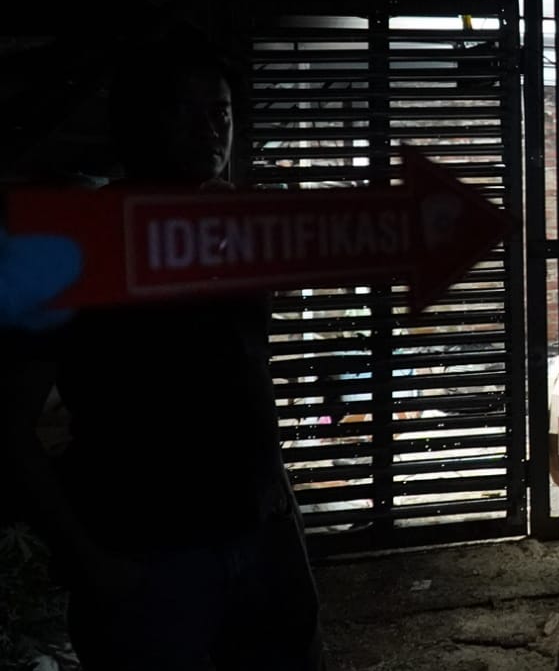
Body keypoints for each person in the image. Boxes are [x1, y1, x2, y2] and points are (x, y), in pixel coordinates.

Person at [2, 36, 325, 670]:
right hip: (151, 559)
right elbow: (9, 424)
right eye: (185, 110)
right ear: (136, 123)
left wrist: (278, 500)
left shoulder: (234, 233)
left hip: (261, 537)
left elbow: (244, 376)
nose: (210, 129)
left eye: (220, 111)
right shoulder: (76, 244)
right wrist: (90, 562)